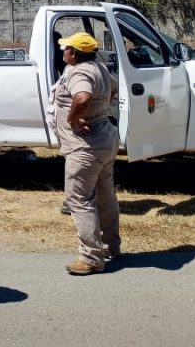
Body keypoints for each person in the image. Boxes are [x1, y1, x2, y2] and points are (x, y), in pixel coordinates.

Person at [50, 31, 120, 274]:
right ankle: (111, 246)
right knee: (105, 194)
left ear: (75, 53)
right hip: (105, 138)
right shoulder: (98, 67)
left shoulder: (79, 72)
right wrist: (99, 111)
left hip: (86, 146)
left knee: (79, 200)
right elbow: (114, 87)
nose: (62, 51)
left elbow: (82, 96)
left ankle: (91, 258)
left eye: (66, 48)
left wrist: (74, 118)